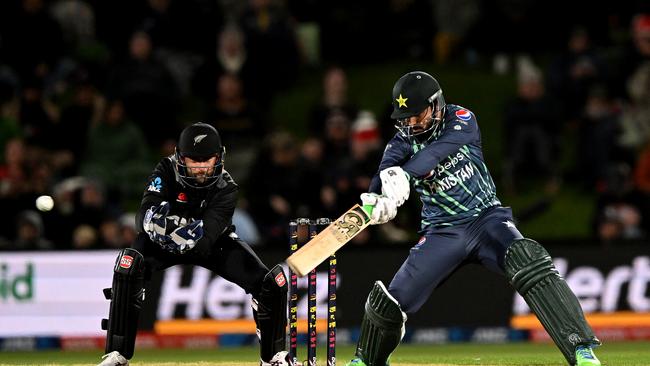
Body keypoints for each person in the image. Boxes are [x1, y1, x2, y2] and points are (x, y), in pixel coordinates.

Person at [346, 71, 602, 366]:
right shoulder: (399, 144)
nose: (412, 124)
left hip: (486, 220)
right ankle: (366, 360)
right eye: (406, 118)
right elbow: (382, 177)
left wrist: (405, 174)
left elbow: (436, 153)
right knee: (390, 302)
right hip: (442, 232)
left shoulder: (462, 119)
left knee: (528, 259)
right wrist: (376, 200)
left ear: (436, 104)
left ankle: (581, 349)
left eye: (418, 116)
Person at [98, 123, 291, 366]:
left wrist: (173, 228)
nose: (200, 167)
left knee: (270, 283)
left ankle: (272, 357)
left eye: (207, 160)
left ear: (218, 158)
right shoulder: (166, 170)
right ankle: (118, 354)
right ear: (180, 157)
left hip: (212, 244)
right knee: (128, 265)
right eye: (193, 160)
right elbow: (144, 214)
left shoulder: (226, 188)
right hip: (163, 243)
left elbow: (206, 238)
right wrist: (158, 227)